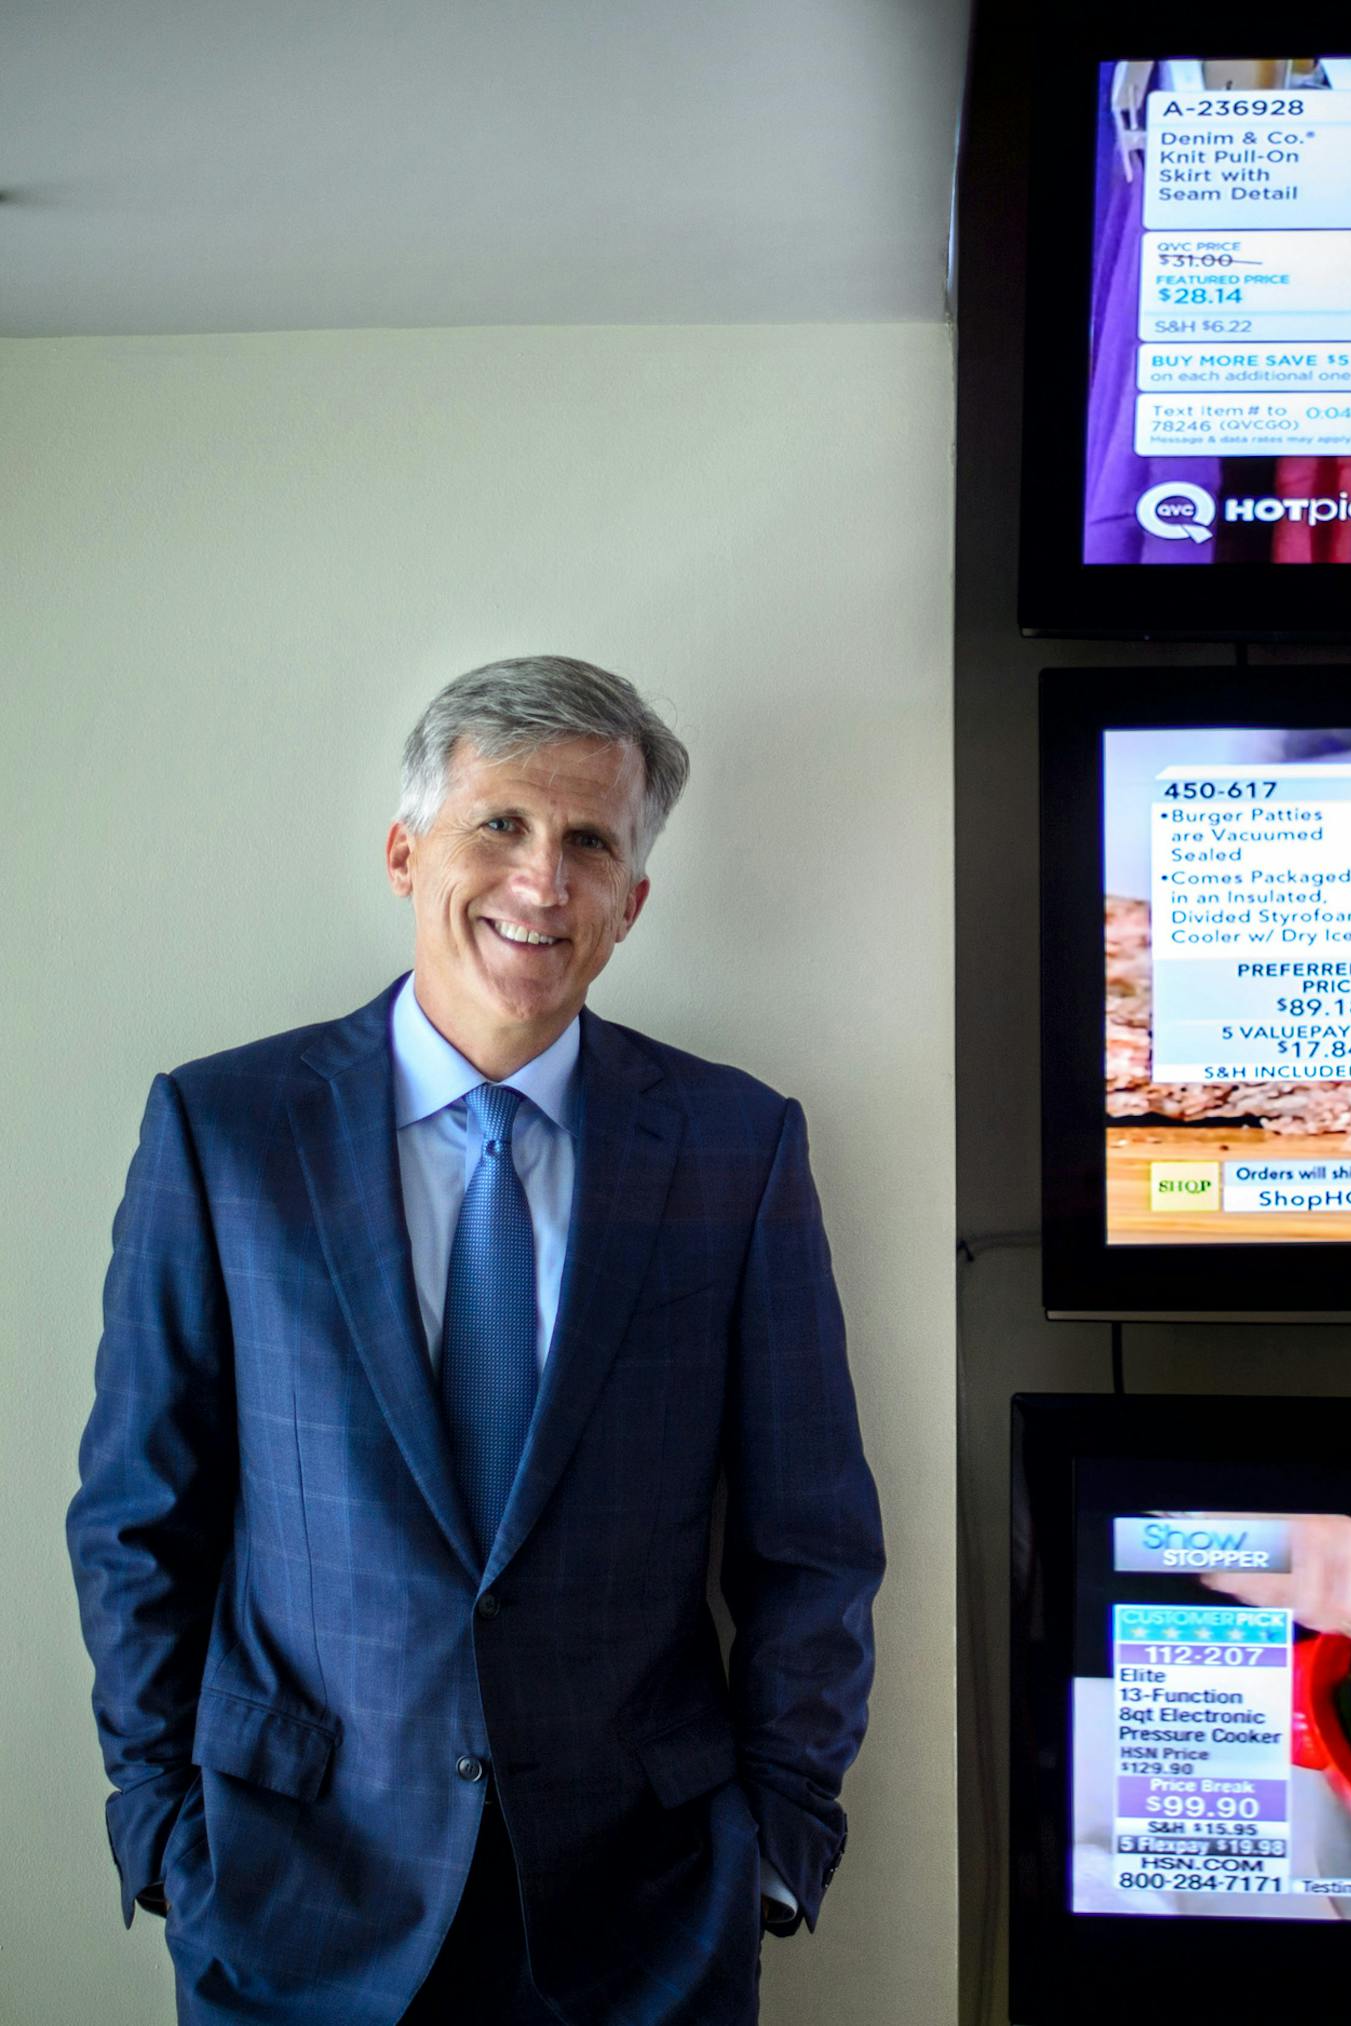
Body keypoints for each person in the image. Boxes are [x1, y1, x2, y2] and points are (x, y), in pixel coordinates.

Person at [66, 657, 884, 2025]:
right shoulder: (224, 1135)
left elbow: (811, 1540)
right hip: (290, 1897)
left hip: (650, 1913)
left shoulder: (739, 1148)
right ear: (405, 851)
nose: (542, 880)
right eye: (499, 824)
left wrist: (778, 1845)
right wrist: (163, 1831)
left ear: (634, 898)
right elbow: (138, 1517)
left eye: (589, 842)